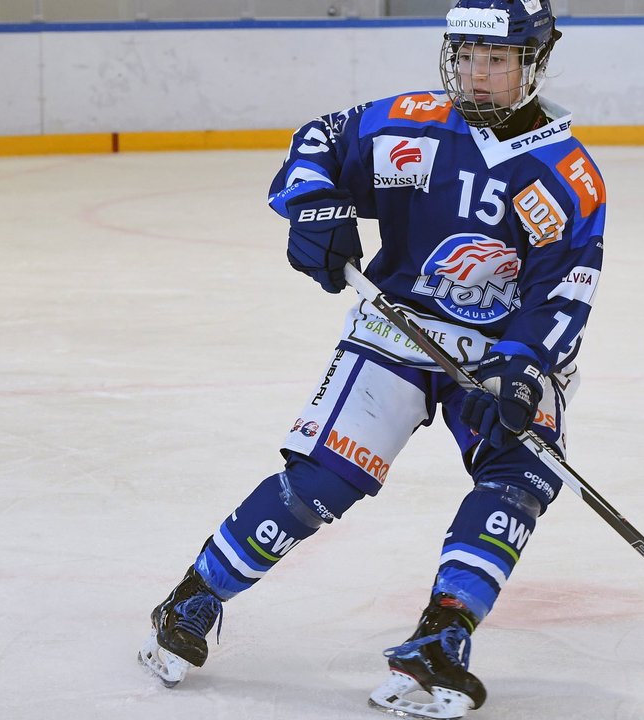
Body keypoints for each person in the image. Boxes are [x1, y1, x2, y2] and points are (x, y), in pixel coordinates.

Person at [137, 1, 606, 718]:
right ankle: (195, 597)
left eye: (499, 62)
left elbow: (566, 288)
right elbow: (320, 140)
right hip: (399, 328)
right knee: (322, 480)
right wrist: (315, 208)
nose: (479, 77)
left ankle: (443, 635)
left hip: (500, 354)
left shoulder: (565, 175)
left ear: (533, 63)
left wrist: (525, 365)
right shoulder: (409, 123)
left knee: (520, 474)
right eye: (469, 59)